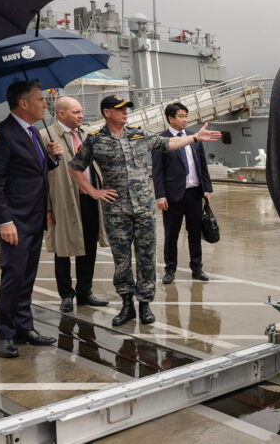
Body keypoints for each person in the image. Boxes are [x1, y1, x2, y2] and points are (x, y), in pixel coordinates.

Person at [67, 95, 221, 326]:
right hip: (116, 210)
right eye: (120, 109)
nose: (126, 112)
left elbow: (168, 144)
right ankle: (127, 305)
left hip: (143, 210)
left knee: (147, 257)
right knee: (122, 260)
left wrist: (195, 138)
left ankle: (145, 305)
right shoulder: (95, 140)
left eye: (127, 108)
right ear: (107, 112)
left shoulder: (139, 134)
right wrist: (92, 191)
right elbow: (75, 167)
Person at [0, 80, 63, 358]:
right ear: (24, 103)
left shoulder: (32, 133)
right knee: (13, 275)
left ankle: (23, 327)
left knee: (27, 276)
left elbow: (31, 171)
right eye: (41, 99)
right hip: (14, 221)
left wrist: (52, 159)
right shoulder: (1, 135)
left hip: (34, 217)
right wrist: (4, 220)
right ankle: (5, 334)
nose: (45, 104)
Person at [41, 96, 109, 312]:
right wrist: (47, 208)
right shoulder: (45, 136)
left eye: (81, 112)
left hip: (88, 197)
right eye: (76, 112)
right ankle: (66, 294)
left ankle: (84, 292)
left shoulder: (87, 134)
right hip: (62, 200)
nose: (82, 116)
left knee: (88, 246)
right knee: (63, 249)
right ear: (61, 114)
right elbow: (39, 176)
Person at [152, 102, 214, 283]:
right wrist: (160, 195)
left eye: (186, 116)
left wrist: (207, 188)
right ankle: (170, 269)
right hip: (172, 196)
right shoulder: (161, 140)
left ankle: (197, 267)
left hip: (194, 193)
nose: (185, 119)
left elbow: (202, 164)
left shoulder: (194, 138)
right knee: (172, 234)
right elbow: (157, 171)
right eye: (181, 116)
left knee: (195, 232)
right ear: (170, 118)